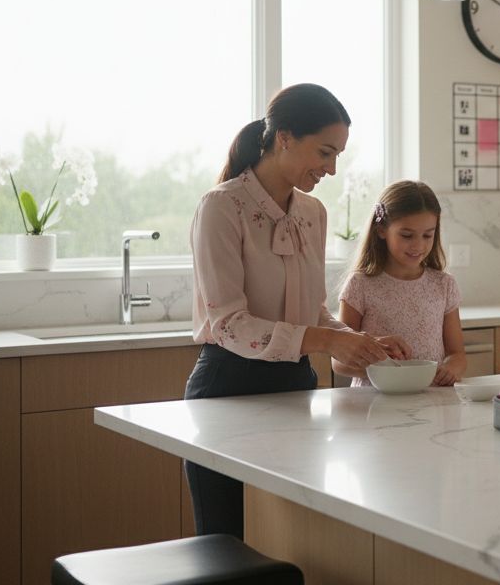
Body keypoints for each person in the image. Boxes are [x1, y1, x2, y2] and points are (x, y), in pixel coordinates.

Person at [185, 83, 408, 538]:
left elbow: (314, 312)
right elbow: (229, 324)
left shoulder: (313, 213)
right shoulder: (221, 207)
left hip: (297, 390)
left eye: (337, 156)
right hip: (228, 389)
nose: (331, 168)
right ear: (284, 137)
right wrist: (328, 339)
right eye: (324, 153)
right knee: (228, 544)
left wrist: (356, 342)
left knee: (296, 542)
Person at [337, 180, 467, 387]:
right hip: (373, 403)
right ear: (381, 230)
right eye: (407, 235)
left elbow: (457, 354)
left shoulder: (444, 285)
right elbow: (338, 362)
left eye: (427, 235)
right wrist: (384, 370)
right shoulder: (360, 285)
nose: (418, 245)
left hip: (429, 400)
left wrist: (451, 369)